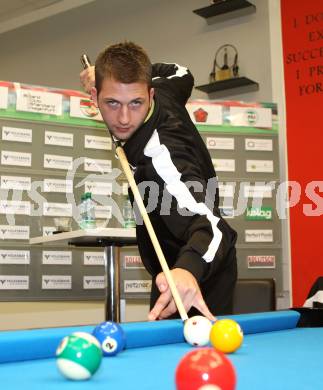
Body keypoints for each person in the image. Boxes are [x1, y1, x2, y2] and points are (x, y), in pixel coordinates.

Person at [80, 41, 237, 321]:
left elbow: (214, 227)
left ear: (150, 94)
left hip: (197, 273)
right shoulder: (166, 88)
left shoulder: (163, 157)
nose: (124, 118)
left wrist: (188, 269)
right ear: (94, 96)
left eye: (136, 103)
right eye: (112, 102)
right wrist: (129, 74)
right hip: (168, 270)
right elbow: (182, 72)